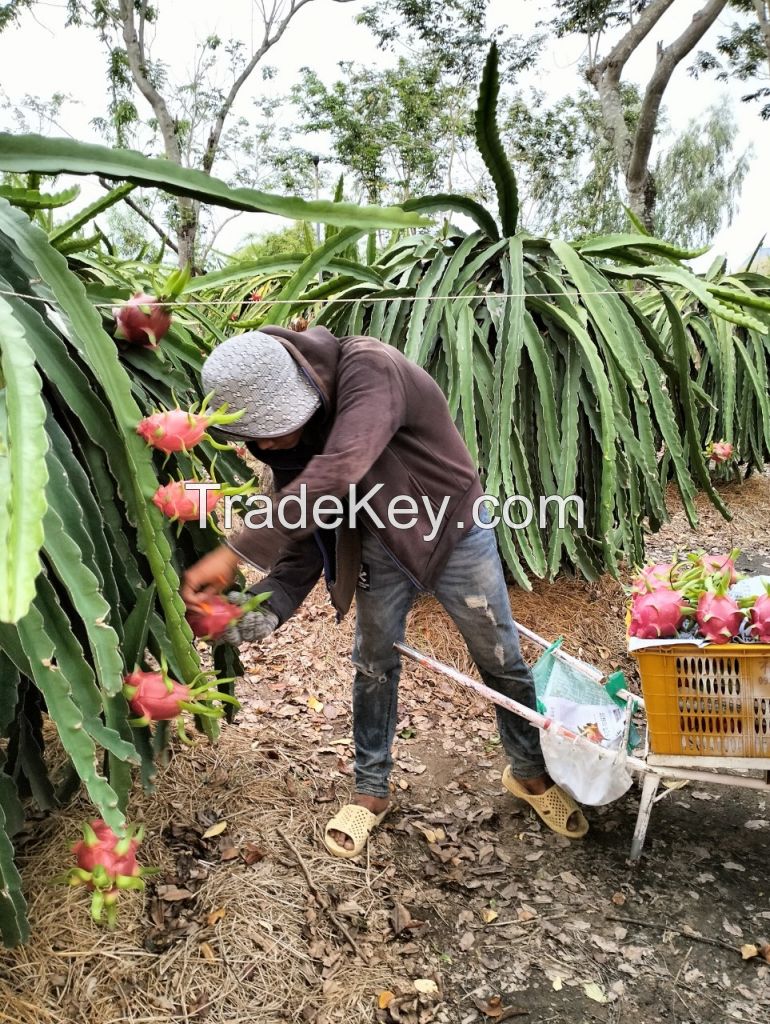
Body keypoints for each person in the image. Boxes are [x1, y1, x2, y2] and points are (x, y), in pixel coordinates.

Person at [181, 326, 588, 857]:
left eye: (276, 427)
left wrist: (233, 551)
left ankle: (529, 774)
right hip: (376, 548)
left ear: (303, 383)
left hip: (455, 532)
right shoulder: (290, 445)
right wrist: (263, 609)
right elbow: (303, 537)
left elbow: (341, 465)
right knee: (373, 664)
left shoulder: (369, 370)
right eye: (255, 436)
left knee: (501, 658)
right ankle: (371, 790)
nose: (269, 444)